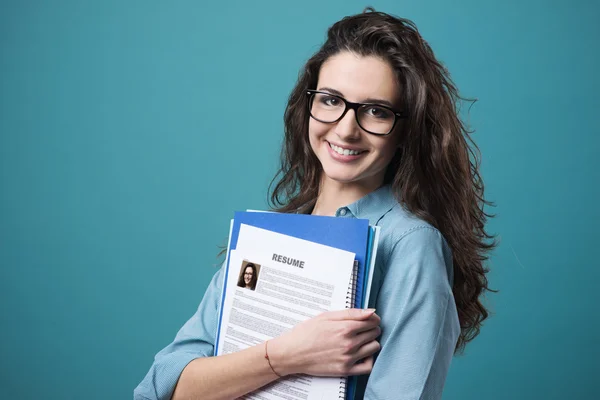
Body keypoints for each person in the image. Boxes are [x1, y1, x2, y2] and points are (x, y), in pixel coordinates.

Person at [134, 8, 495, 400]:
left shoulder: (411, 245)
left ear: (405, 130)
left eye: (376, 111)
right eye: (330, 100)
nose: (345, 129)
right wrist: (285, 356)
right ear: (307, 105)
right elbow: (161, 388)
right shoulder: (265, 236)